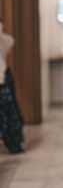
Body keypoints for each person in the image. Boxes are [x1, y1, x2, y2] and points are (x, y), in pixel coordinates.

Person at [0, 21, 24, 154]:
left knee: (9, 113)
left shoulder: (5, 41)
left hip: (3, 79)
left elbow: (11, 40)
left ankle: (13, 142)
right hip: (3, 78)